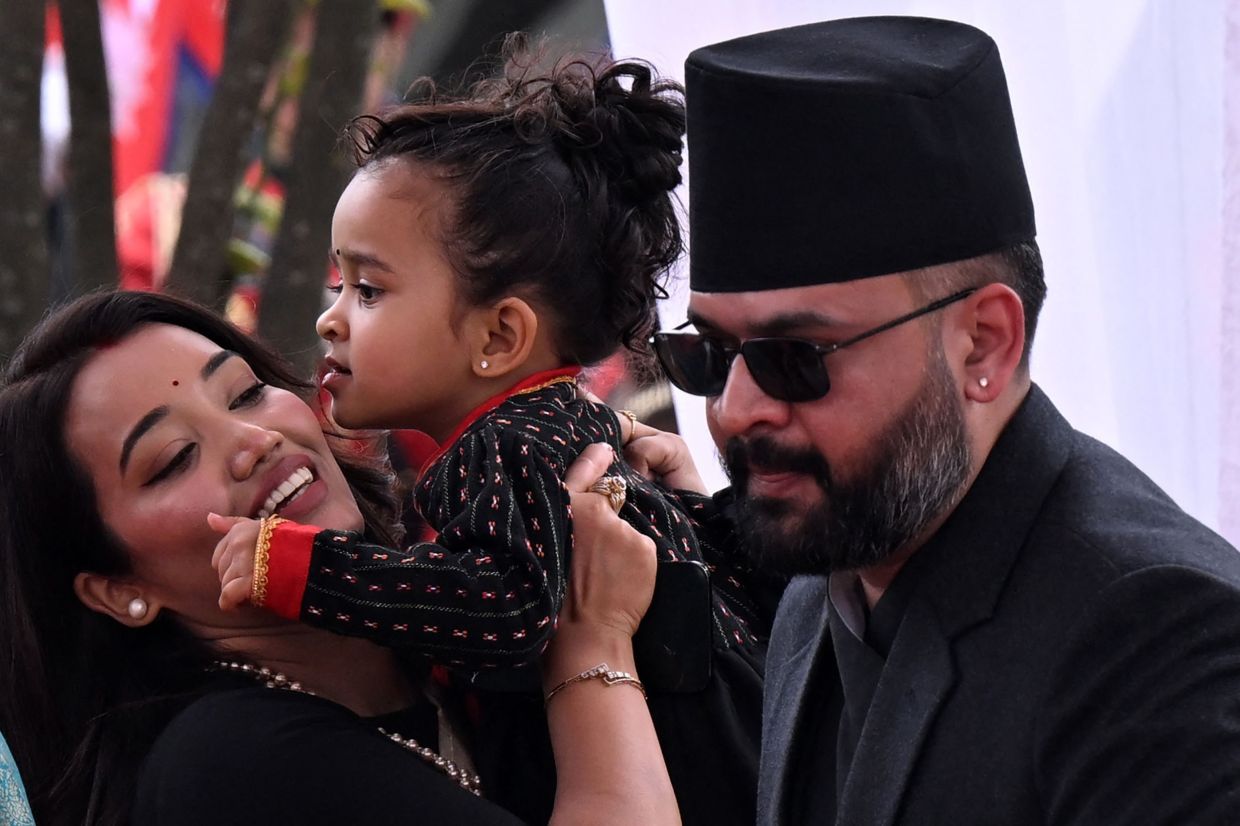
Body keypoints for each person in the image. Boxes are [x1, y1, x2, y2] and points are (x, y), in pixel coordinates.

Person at [648, 15, 1240, 825]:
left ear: (981, 343)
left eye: (797, 357)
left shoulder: (1153, 639)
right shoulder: (827, 576)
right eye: (708, 354)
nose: (736, 408)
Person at [212, 38, 773, 825]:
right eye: (339, 284)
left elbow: (505, 605)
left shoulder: (502, 446)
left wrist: (301, 567)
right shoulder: (569, 431)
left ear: (499, 338)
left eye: (368, 289)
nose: (329, 320)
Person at [0, 290, 678, 826]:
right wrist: (594, 643)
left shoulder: (464, 630)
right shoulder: (233, 765)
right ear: (116, 589)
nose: (254, 440)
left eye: (243, 392)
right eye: (173, 459)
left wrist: (688, 520)